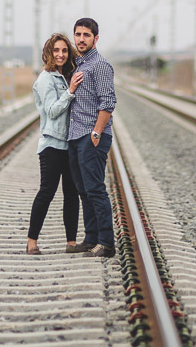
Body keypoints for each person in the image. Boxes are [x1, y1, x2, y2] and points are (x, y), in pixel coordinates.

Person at [25, 33, 83, 255]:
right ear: (49, 53)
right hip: (52, 145)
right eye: (56, 50)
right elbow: (51, 111)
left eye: (64, 50)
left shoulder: (67, 75)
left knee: (71, 193)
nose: (60, 54)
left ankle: (71, 242)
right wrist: (70, 93)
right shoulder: (46, 79)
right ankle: (32, 241)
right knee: (47, 192)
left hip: (70, 143)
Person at [66, 17, 117, 258]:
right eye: (78, 34)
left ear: (95, 38)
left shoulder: (100, 65)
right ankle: (91, 238)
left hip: (92, 135)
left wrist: (96, 133)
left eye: (86, 35)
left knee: (95, 189)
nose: (81, 39)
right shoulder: (77, 64)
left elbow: (108, 102)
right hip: (76, 135)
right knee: (83, 189)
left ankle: (106, 242)